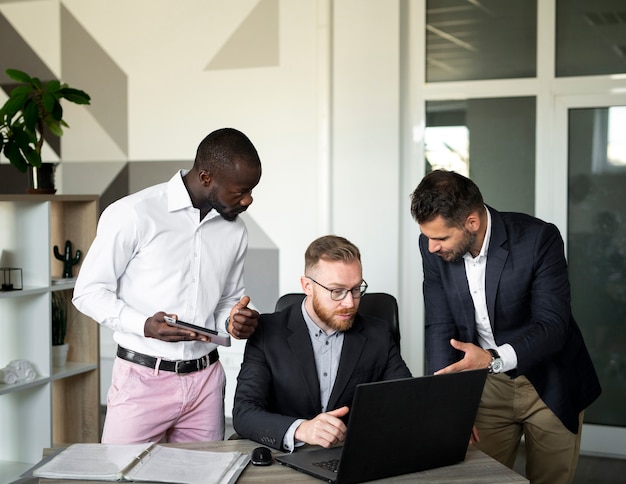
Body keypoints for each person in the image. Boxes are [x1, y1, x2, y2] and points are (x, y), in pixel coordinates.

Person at [409, 169, 601, 484]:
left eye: (441, 237)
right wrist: (448, 403)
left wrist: (494, 358)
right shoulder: (431, 246)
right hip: (486, 385)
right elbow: (439, 324)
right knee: (479, 478)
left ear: (472, 222)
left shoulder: (538, 238)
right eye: (428, 236)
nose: (431, 247)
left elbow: (553, 325)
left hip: (550, 380)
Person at [73, 127, 262, 444]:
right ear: (205, 177)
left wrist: (234, 321)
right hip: (141, 381)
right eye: (240, 191)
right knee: (121, 477)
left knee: (203, 479)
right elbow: (88, 292)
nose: (248, 200)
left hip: (206, 383)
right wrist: (144, 325)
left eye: (253, 190)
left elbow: (226, 301)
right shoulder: (133, 213)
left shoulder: (236, 231)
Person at [232, 235, 411, 451]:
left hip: (350, 453)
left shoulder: (378, 333)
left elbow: (404, 399)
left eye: (356, 289)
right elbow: (244, 412)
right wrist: (302, 429)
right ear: (307, 286)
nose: (350, 302)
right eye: (337, 291)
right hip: (287, 457)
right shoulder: (267, 332)